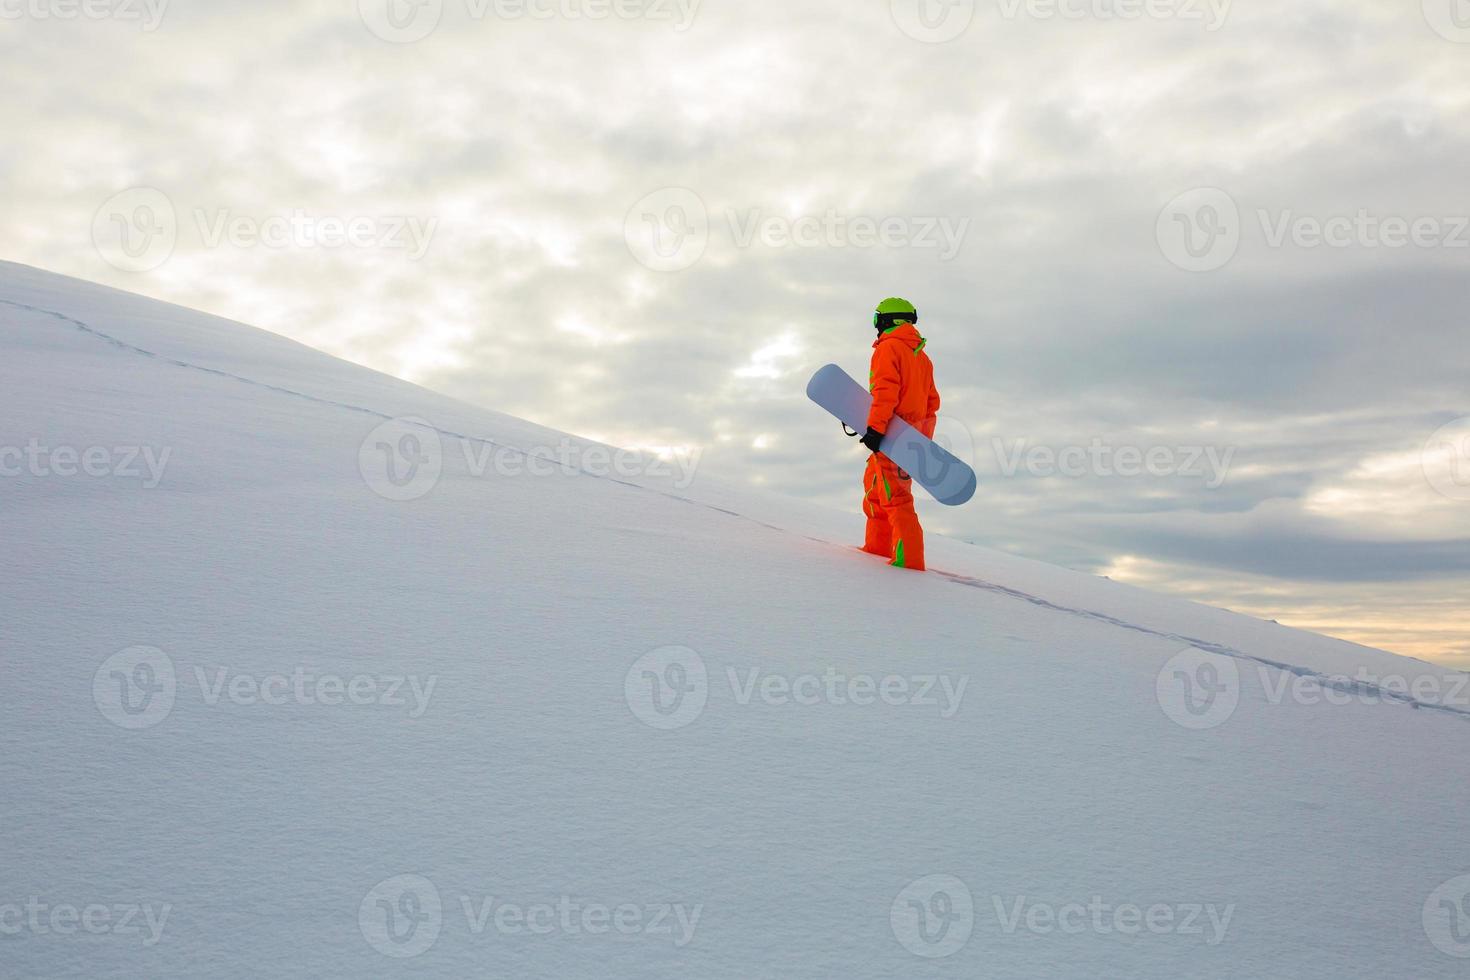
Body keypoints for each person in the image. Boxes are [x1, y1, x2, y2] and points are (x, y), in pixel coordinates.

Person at [855, 298, 940, 571]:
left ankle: (909, 564)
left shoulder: (888, 349)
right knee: (875, 493)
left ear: (885, 321)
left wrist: (876, 429)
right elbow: (931, 404)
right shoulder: (922, 358)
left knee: (897, 500)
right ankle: (876, 549)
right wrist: (921, 441)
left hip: (892, 436)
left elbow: (885, 391)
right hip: (907, 438)